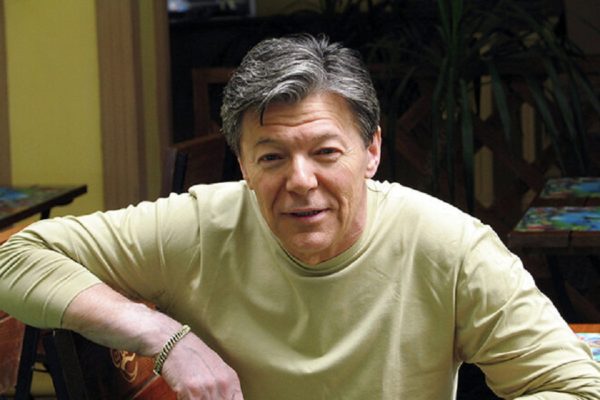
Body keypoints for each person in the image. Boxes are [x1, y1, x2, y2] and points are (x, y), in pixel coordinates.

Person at [1, 34, 599, 400]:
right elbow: (16, 257)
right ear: (242, 163)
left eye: (326, 152)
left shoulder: (451, 245)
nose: (301, 181)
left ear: (371, 152)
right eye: (272, 157)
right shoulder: (200, 226)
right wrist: (164, 337)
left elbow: (570, 385)